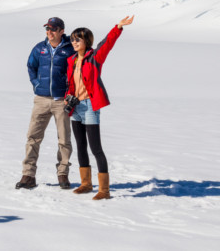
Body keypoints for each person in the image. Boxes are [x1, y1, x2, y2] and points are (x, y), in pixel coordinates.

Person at [65, 15, 134, 200]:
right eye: (72, 39)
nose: (74, 42)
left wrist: (118, 27)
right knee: (80, 146)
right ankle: (86, 184)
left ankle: (104, 190)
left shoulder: (95, 57)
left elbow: (107, 43)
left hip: (90, 106)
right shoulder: (71, 61)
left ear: (86, 40)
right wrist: (67, 98)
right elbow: (70, 84)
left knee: (96, 148)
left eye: (77, 39)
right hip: (76, 107)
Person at [17, 17, 75, 190]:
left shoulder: (70, 49)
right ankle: (28, 175)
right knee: (33, 137)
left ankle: (62, 174)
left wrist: (69, 91)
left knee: (64, 139)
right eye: (47, 29)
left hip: (61, 101)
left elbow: (77, 70)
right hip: (41, 100)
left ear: (61, 31)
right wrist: (36, 84)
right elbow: (31, 66)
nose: (49, 32)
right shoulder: (39, 48)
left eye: (53, 29)